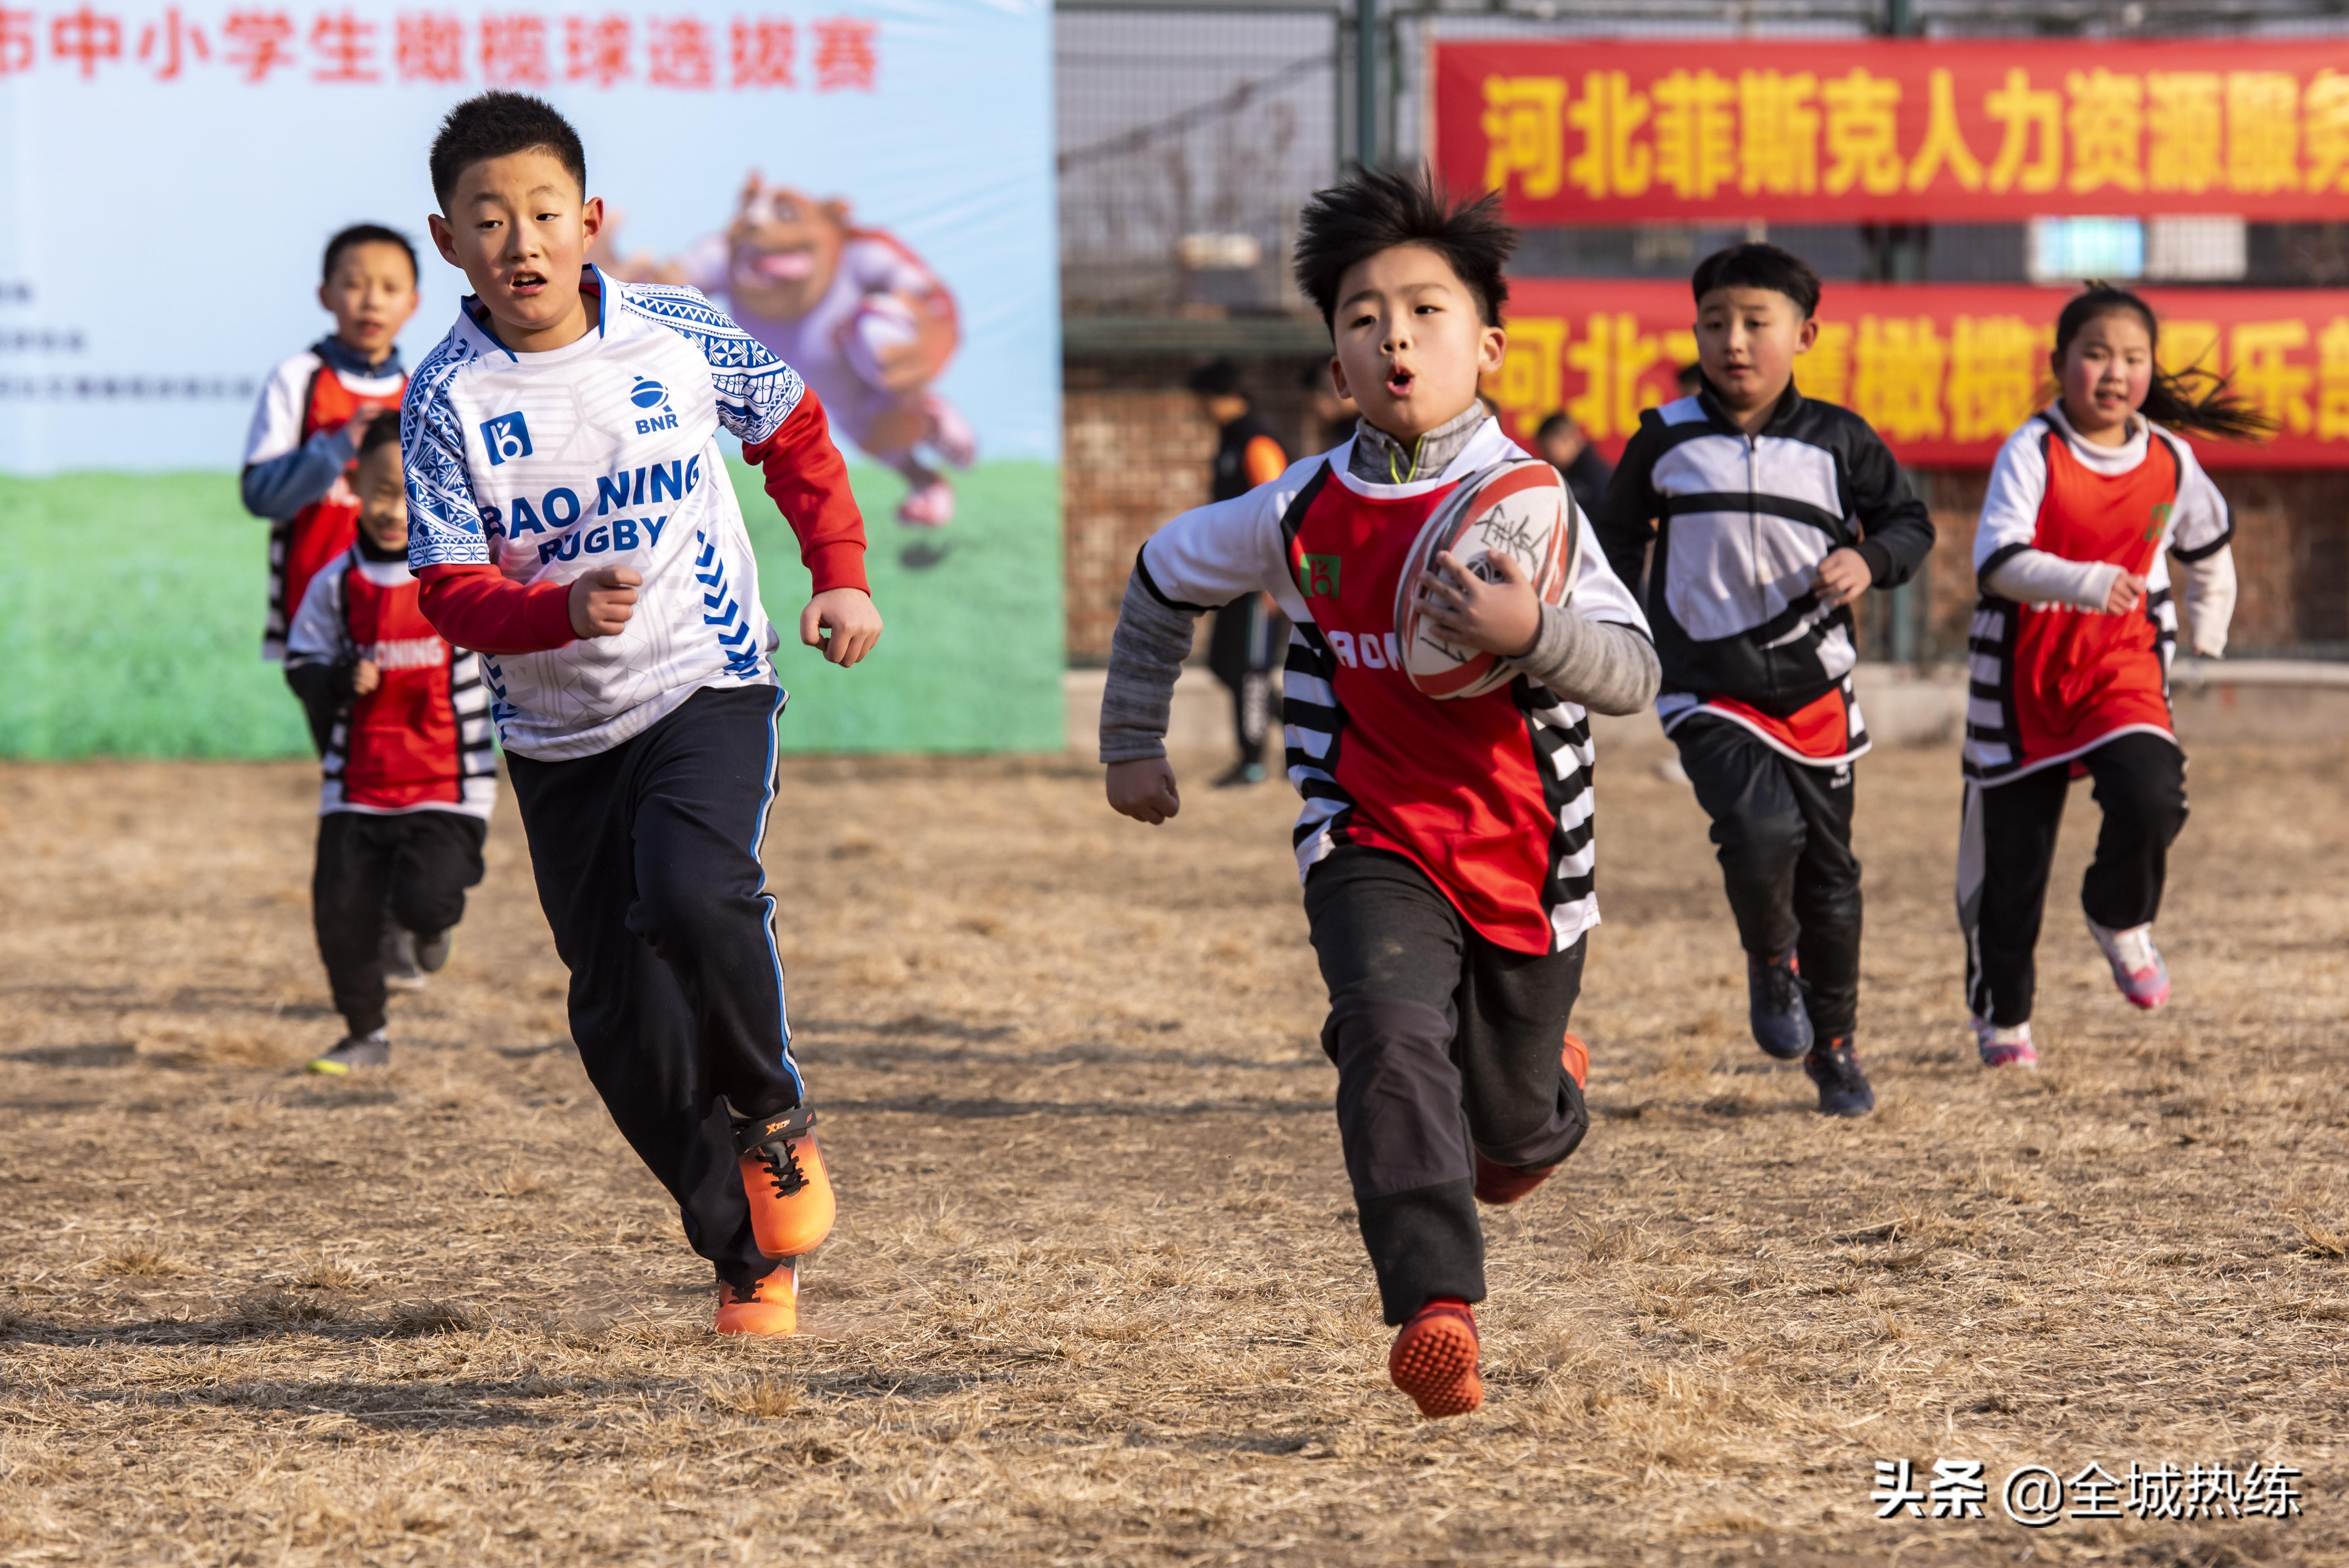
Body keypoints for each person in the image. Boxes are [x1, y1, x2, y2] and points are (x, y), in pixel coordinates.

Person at [1100, 167, 1659, 1419]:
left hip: (1526, 852)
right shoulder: (1300, 504)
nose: (1392, 335)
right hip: (1364, 829)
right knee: (1384, 1031)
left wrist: (1531, 627)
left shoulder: (1531, 505)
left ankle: (1537, 1093)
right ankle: (1434, 1311)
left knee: (1510, 1144)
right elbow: (1160, 572)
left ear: (1488, 344)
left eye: (1424, 310)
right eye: (1361, 316)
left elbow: (1632, 671)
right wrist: (1132, 736)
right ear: (1334, 357)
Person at [400, 92, 883, 1337]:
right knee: (619, 1021)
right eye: (489, 219)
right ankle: (743, 1254)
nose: (522, 242)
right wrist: (555, 611)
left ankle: (772, 1112)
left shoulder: (677, 332)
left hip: (701, 679)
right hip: (560, 739)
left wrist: (837, 568)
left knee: (690, 889)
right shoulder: (443, 399)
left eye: (545, 214)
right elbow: (451, 589)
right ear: (448, 242)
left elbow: (793, 431)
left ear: (590, 220)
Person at [1592, 243, 1934, 1118]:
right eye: (1714, 323)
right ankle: (1768, 957)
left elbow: (1907, 524)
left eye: (1755, 323)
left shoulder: (1839, 439)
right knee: (1755, 832)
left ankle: (1835, 1047)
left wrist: (1868, 559)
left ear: (1803, 333)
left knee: (1830, 872)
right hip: (1706, 683)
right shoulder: (1663, 438)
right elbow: (1613, 544)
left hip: (1815, 687)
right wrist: (1617, 623)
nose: (1733, 342)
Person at [1957, 286, 2258, 1069]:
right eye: (2093, 353)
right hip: (2022, 673)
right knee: (2011, 868)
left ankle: (2118, 915)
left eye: (2130, 357)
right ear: (2059, 365)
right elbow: (1995, 564)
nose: (2112, 372)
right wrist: (2087, 581)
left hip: (2120, 664)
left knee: (2152, 794)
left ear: (2149, 372)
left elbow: (2207, 545)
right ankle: (2005, 1019)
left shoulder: (2167, 456)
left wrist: (2208, 632)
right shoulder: (2031, 449)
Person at [285, 416, 498, 1075]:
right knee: (341, 917)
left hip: (449, 781)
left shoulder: (467, 576)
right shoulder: (334, 585)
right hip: (356, 786)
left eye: (413, 492)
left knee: (423, 900)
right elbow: (302, 663)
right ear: (353, 487)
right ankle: (365, 1036)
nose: (395, 509)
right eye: (381, 490)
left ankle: (430, 927)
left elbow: (515, 638)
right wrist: (338, 681)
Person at [243, 224, 420, 667]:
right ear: (325, 295)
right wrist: (339, 446)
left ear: (413, 303)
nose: (372, 300)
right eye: (355, 285)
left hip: (407, 619)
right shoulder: (297, 379)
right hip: (314, 616)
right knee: (340, 737)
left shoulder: (423, 389)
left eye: (390, 287)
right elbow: (261, 494)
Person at [1187, 358, 1292, 786]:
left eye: (1204, 401)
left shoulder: (1256, 441)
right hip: (1234, 579)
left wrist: (1273, 578)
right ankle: (1305, 724)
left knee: (1250, 669)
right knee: (1223, 664)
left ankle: (1251, 761)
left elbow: (1278, 509)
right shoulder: (1229, 441)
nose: (1202, 410)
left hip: (1258, 582)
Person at [1533, 409, 1612, 520]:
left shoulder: (1593, 476)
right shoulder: (1571, 473)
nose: (1546, 457)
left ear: (1568, 440)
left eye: (1548, 450)